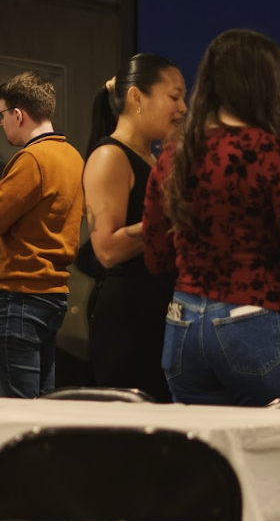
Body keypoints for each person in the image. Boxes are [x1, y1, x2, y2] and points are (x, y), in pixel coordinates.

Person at [142, 29, 280, 407]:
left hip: (184, 326)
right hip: (256, 320)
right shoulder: (270, 153)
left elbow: (157, 256)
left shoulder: (176, 154)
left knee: (208, 460)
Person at [83, 54, 186, 402]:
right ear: (137, 98)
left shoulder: (153, 160)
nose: (183, 108)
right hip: (129, 319)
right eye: (174, 96)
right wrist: (173, 217)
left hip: (159, 313)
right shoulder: (110, 156)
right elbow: (107, 250)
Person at [0, 72, 84, 397]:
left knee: (16, 414)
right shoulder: (72, 156)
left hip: (20, 294)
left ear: (18, 114)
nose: (3, 124)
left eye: (2, 116)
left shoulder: (33, 158)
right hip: (53, 294)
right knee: (43, 405)